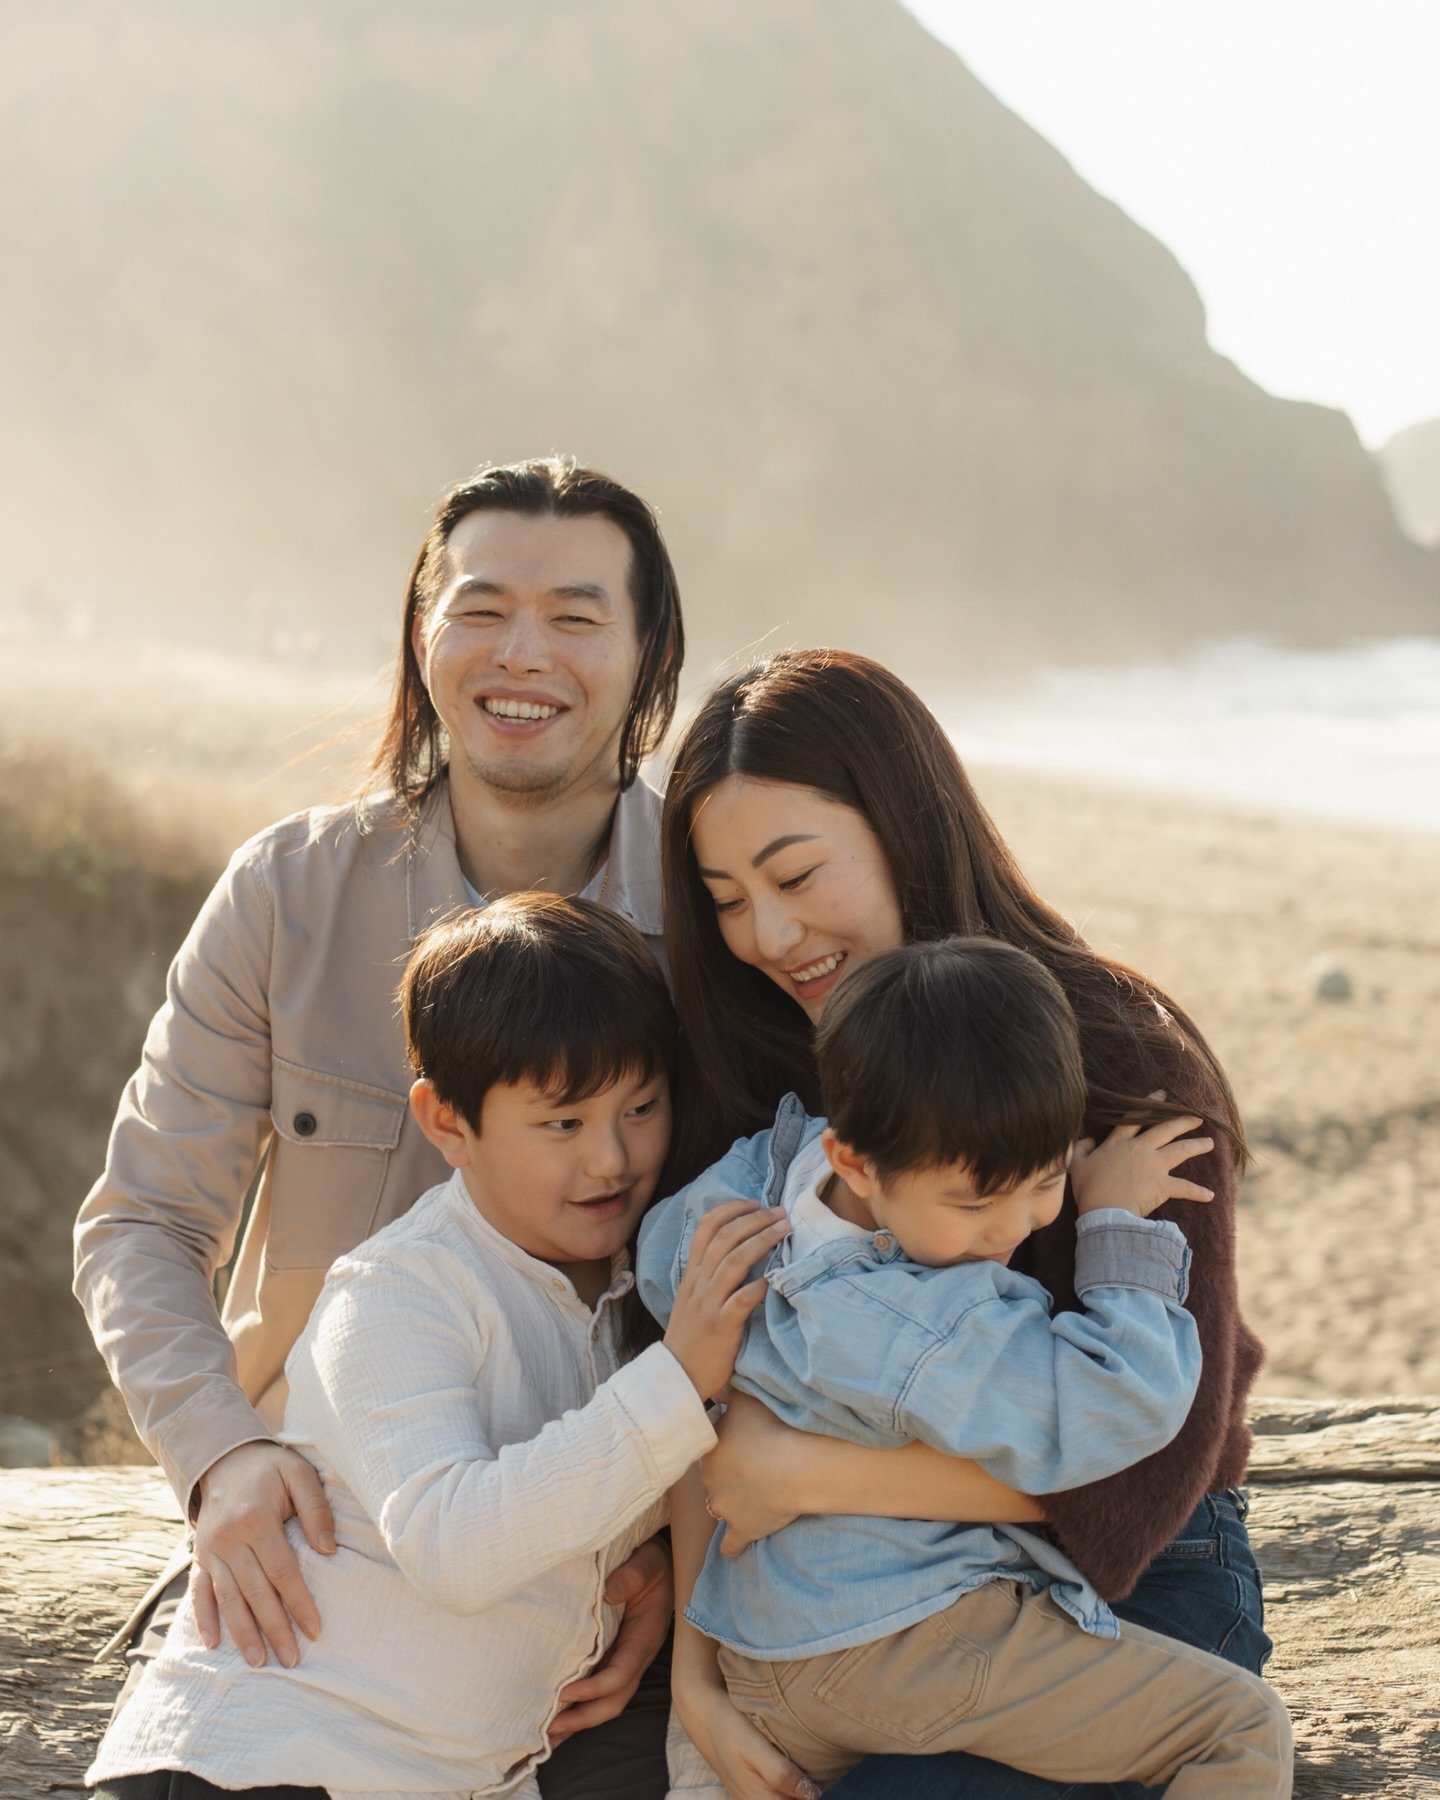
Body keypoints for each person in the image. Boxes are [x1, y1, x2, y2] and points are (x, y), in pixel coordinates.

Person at [74, 458, 686, 1799]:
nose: (523, 652)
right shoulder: (291, 893)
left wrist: (677, 1555)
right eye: (481, 606)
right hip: (313, 1556)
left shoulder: (710, 920)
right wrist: (220, 1455)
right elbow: (141, 1222)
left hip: (598, 1563)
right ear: (421, 635)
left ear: (647, 662)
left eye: (578, 615)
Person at [659, 648, 1272, 1800]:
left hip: (1139, 1567)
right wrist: (698, 1684)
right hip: (839, 1605)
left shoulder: (1114, 1059)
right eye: (729, 901)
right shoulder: (779, 1094)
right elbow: (703, 1389)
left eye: (795, 876)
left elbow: (1154, 1456)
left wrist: (807, 1472)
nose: (772, 936)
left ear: (905, 829)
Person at [88, 896, 789, 1800]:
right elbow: (457, 1545)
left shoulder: (635, 1298)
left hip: (444, 1775)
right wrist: (680, 1380)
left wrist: (642, 1556)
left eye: (642, 1107)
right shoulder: (395, 1293)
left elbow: (589, 1484)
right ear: (447, 1122)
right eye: (562, 1124)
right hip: (259, 1761)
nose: (611, 1159)